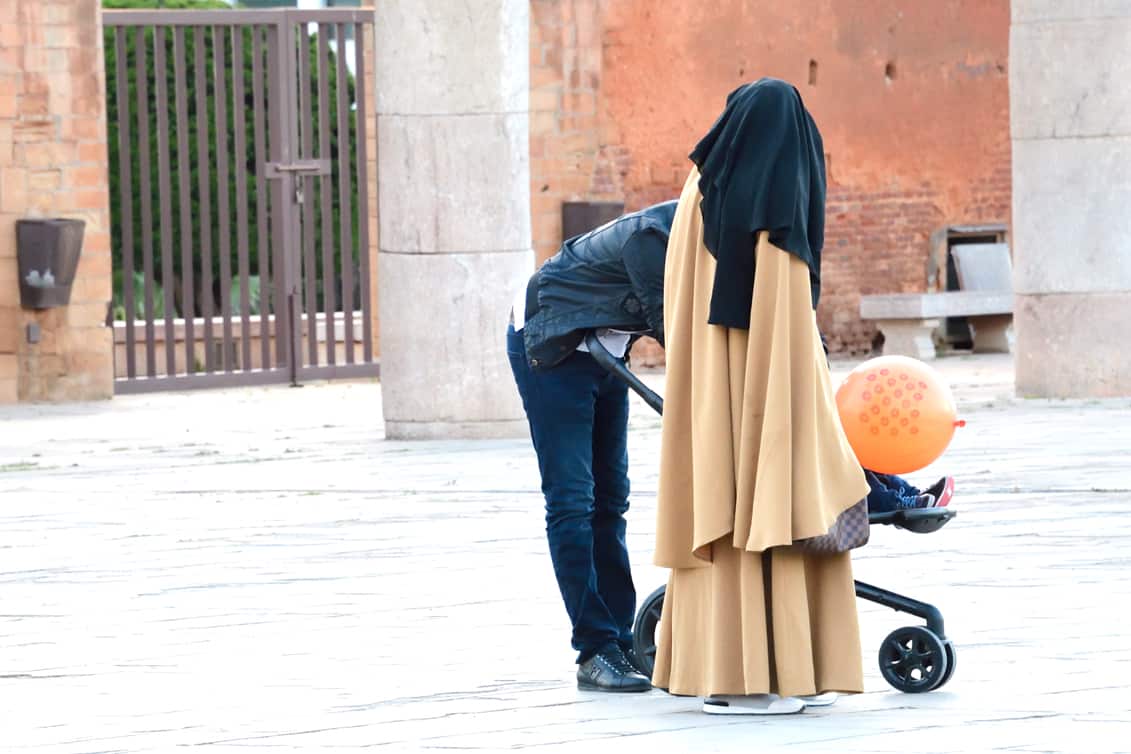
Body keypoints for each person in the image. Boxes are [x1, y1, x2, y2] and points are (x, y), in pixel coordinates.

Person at [650, 78, 871, 715]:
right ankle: (762, 680)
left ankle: (750, 673)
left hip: (710, 395)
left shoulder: (698, 189)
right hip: (766, 388)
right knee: (781, 504)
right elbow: (788, 325)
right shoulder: (778, 206)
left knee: (726, 504)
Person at [506, 201, 678, 692]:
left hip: (604, 350)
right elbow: (679, 333)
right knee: (573, 498)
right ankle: (596, 648)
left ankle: (621, 639)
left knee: (611, 499)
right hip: (551, 343)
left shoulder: (711, 236)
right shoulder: (657, 238)